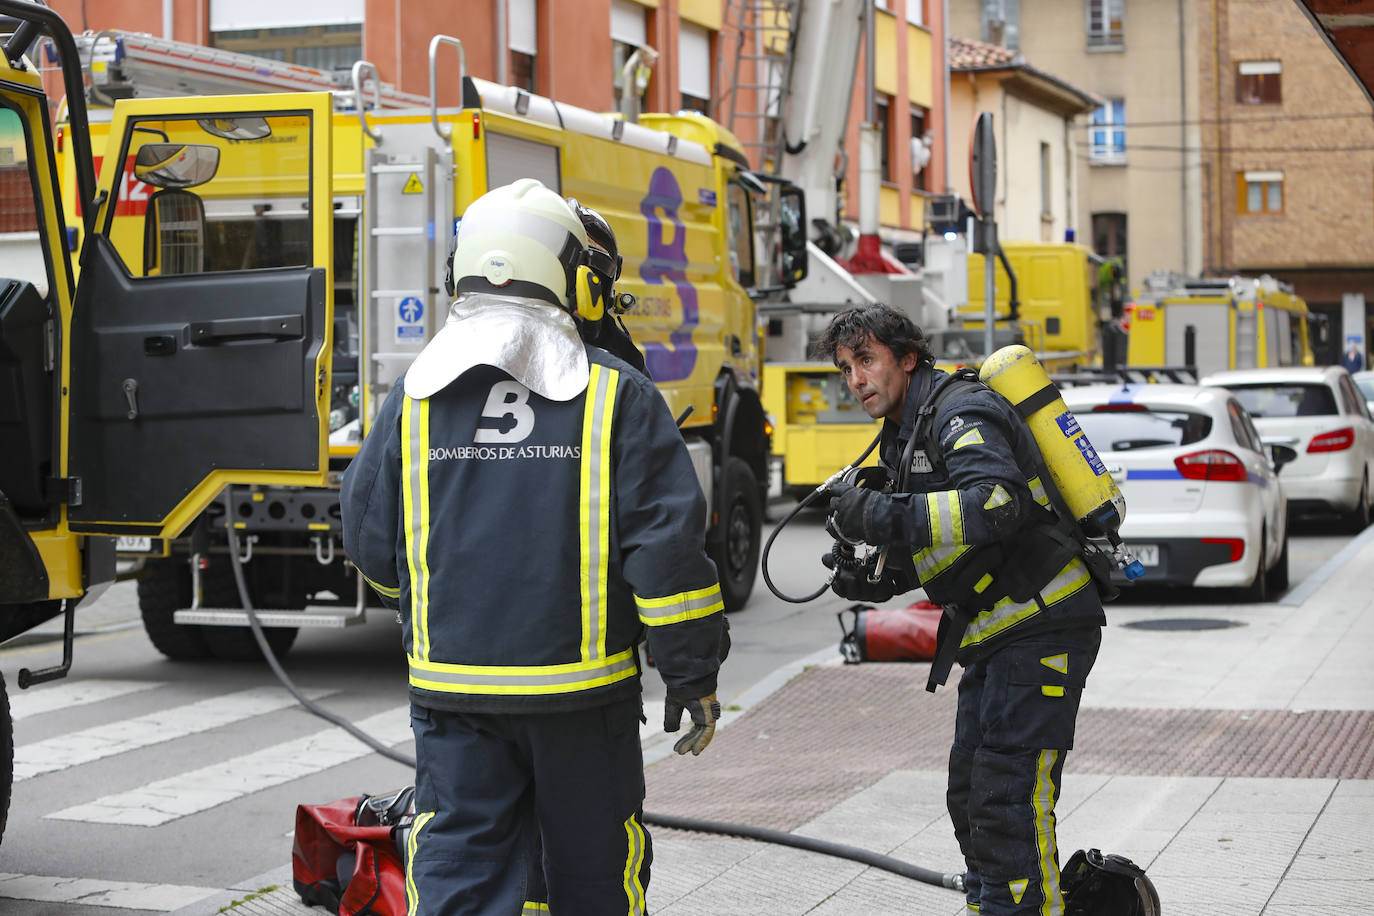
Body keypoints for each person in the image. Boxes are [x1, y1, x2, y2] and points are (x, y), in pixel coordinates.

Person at [341, 178, 728, 916]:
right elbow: (668, 560)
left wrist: (440, 610)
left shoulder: (413, 396)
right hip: (581, 700)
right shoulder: (620, 395)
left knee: (457, 868)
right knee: (592, 875)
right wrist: (692, 677)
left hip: (452, 696)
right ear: (577, 283)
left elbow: (370, 544)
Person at [815, 303, 1107, 916]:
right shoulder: (907, 430)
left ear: (908, 358)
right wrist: (877, 579)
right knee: (971, 796)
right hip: (999, 631)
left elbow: (996, 503)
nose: (856, 380)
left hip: (1042, 623)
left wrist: (876, 514)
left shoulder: (958, 411)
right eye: (846, 368)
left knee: (1006, 804)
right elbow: (946, 540)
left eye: (866, 360)